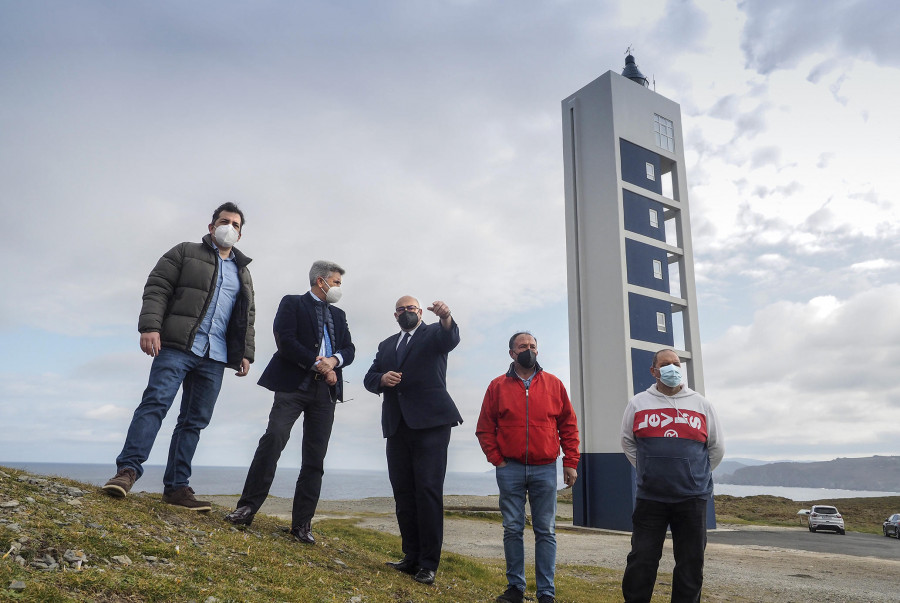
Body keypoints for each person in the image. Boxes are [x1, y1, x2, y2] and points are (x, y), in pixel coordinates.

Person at [102, 203, 255, 510]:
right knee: (155, 403)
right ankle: (127, 472)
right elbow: (157, 288)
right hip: (176, 346)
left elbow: (247, 315)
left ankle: (176, 488)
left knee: (194, 421)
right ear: (211, 227)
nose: (230, 227)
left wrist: (245, 353)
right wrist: (150, 326)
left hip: (216, 356)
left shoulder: (243, 272)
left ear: (240, 233)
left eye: (236, 224)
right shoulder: (185, 252)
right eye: (224, 221)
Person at [224, 261, 354, 544]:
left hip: (325, 393)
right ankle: (246, 508)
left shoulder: (340, 315)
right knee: (273, 439)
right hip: (293, 386)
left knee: (315, 457)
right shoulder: (292, 303)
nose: (338, 288)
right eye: (337, 282)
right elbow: (286, 340)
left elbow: (349, 349)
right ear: (321, 281)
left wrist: (333, 361)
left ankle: (302, 525)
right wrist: (316, 364)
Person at [363, 296, 462, 585]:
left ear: (420, 312)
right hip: (396, 425)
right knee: (403, 493)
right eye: (402, 309)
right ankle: (411, 557)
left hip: (431, 424)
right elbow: (369, 377)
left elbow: (450, 337)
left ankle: (429, 564)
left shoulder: (433, 333)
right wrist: (382, 379)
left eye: (412, 309)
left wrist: (446, 316)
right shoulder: (386, 344)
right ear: (395, 315)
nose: (407, 312)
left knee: (428, 492)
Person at [475, 332, 580, 603]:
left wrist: (570, 462)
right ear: (512, 352)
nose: (528, 350)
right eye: (523, 346)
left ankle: (546, 593)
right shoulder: (497, 386)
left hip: (545, 468)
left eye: (533, 346)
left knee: (546, 530)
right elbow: (485, 428)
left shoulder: (554, 384)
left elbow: (568, 426)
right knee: (512, 528)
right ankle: (515, 589)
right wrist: (496, 459)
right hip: (509, 468)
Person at [620, 348, 724, 603]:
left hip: (692, 498)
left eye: (676, 364)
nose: (672, 368)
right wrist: (649, 471)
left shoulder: (701, 404)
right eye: (666, 364)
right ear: (653, 371)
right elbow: (627, 442)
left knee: (690, 564)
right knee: (641, 561)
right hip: (651, 498)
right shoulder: (638, 403)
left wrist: (692, 475)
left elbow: (716, 448)